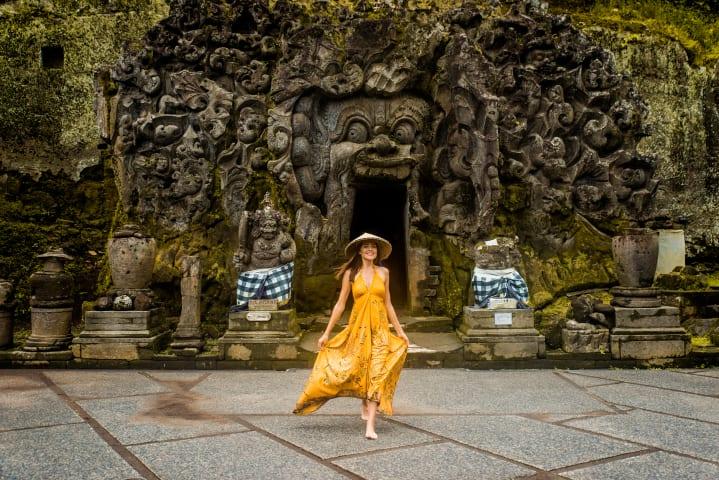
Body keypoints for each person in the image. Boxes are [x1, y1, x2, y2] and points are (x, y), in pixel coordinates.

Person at [293, 232, 410, 439]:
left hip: (380, 331)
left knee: (376, 372)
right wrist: (326, 333)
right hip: (358, 330)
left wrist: (400, 332)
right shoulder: (351, 274)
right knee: (355, 367)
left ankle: (371, 427)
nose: (370, 250)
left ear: (377, 251)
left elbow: (388, 304)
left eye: (373, 247)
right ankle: (359, 401)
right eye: (366, 247)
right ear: (359, 250)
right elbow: (340, 305)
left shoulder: (384, 272)